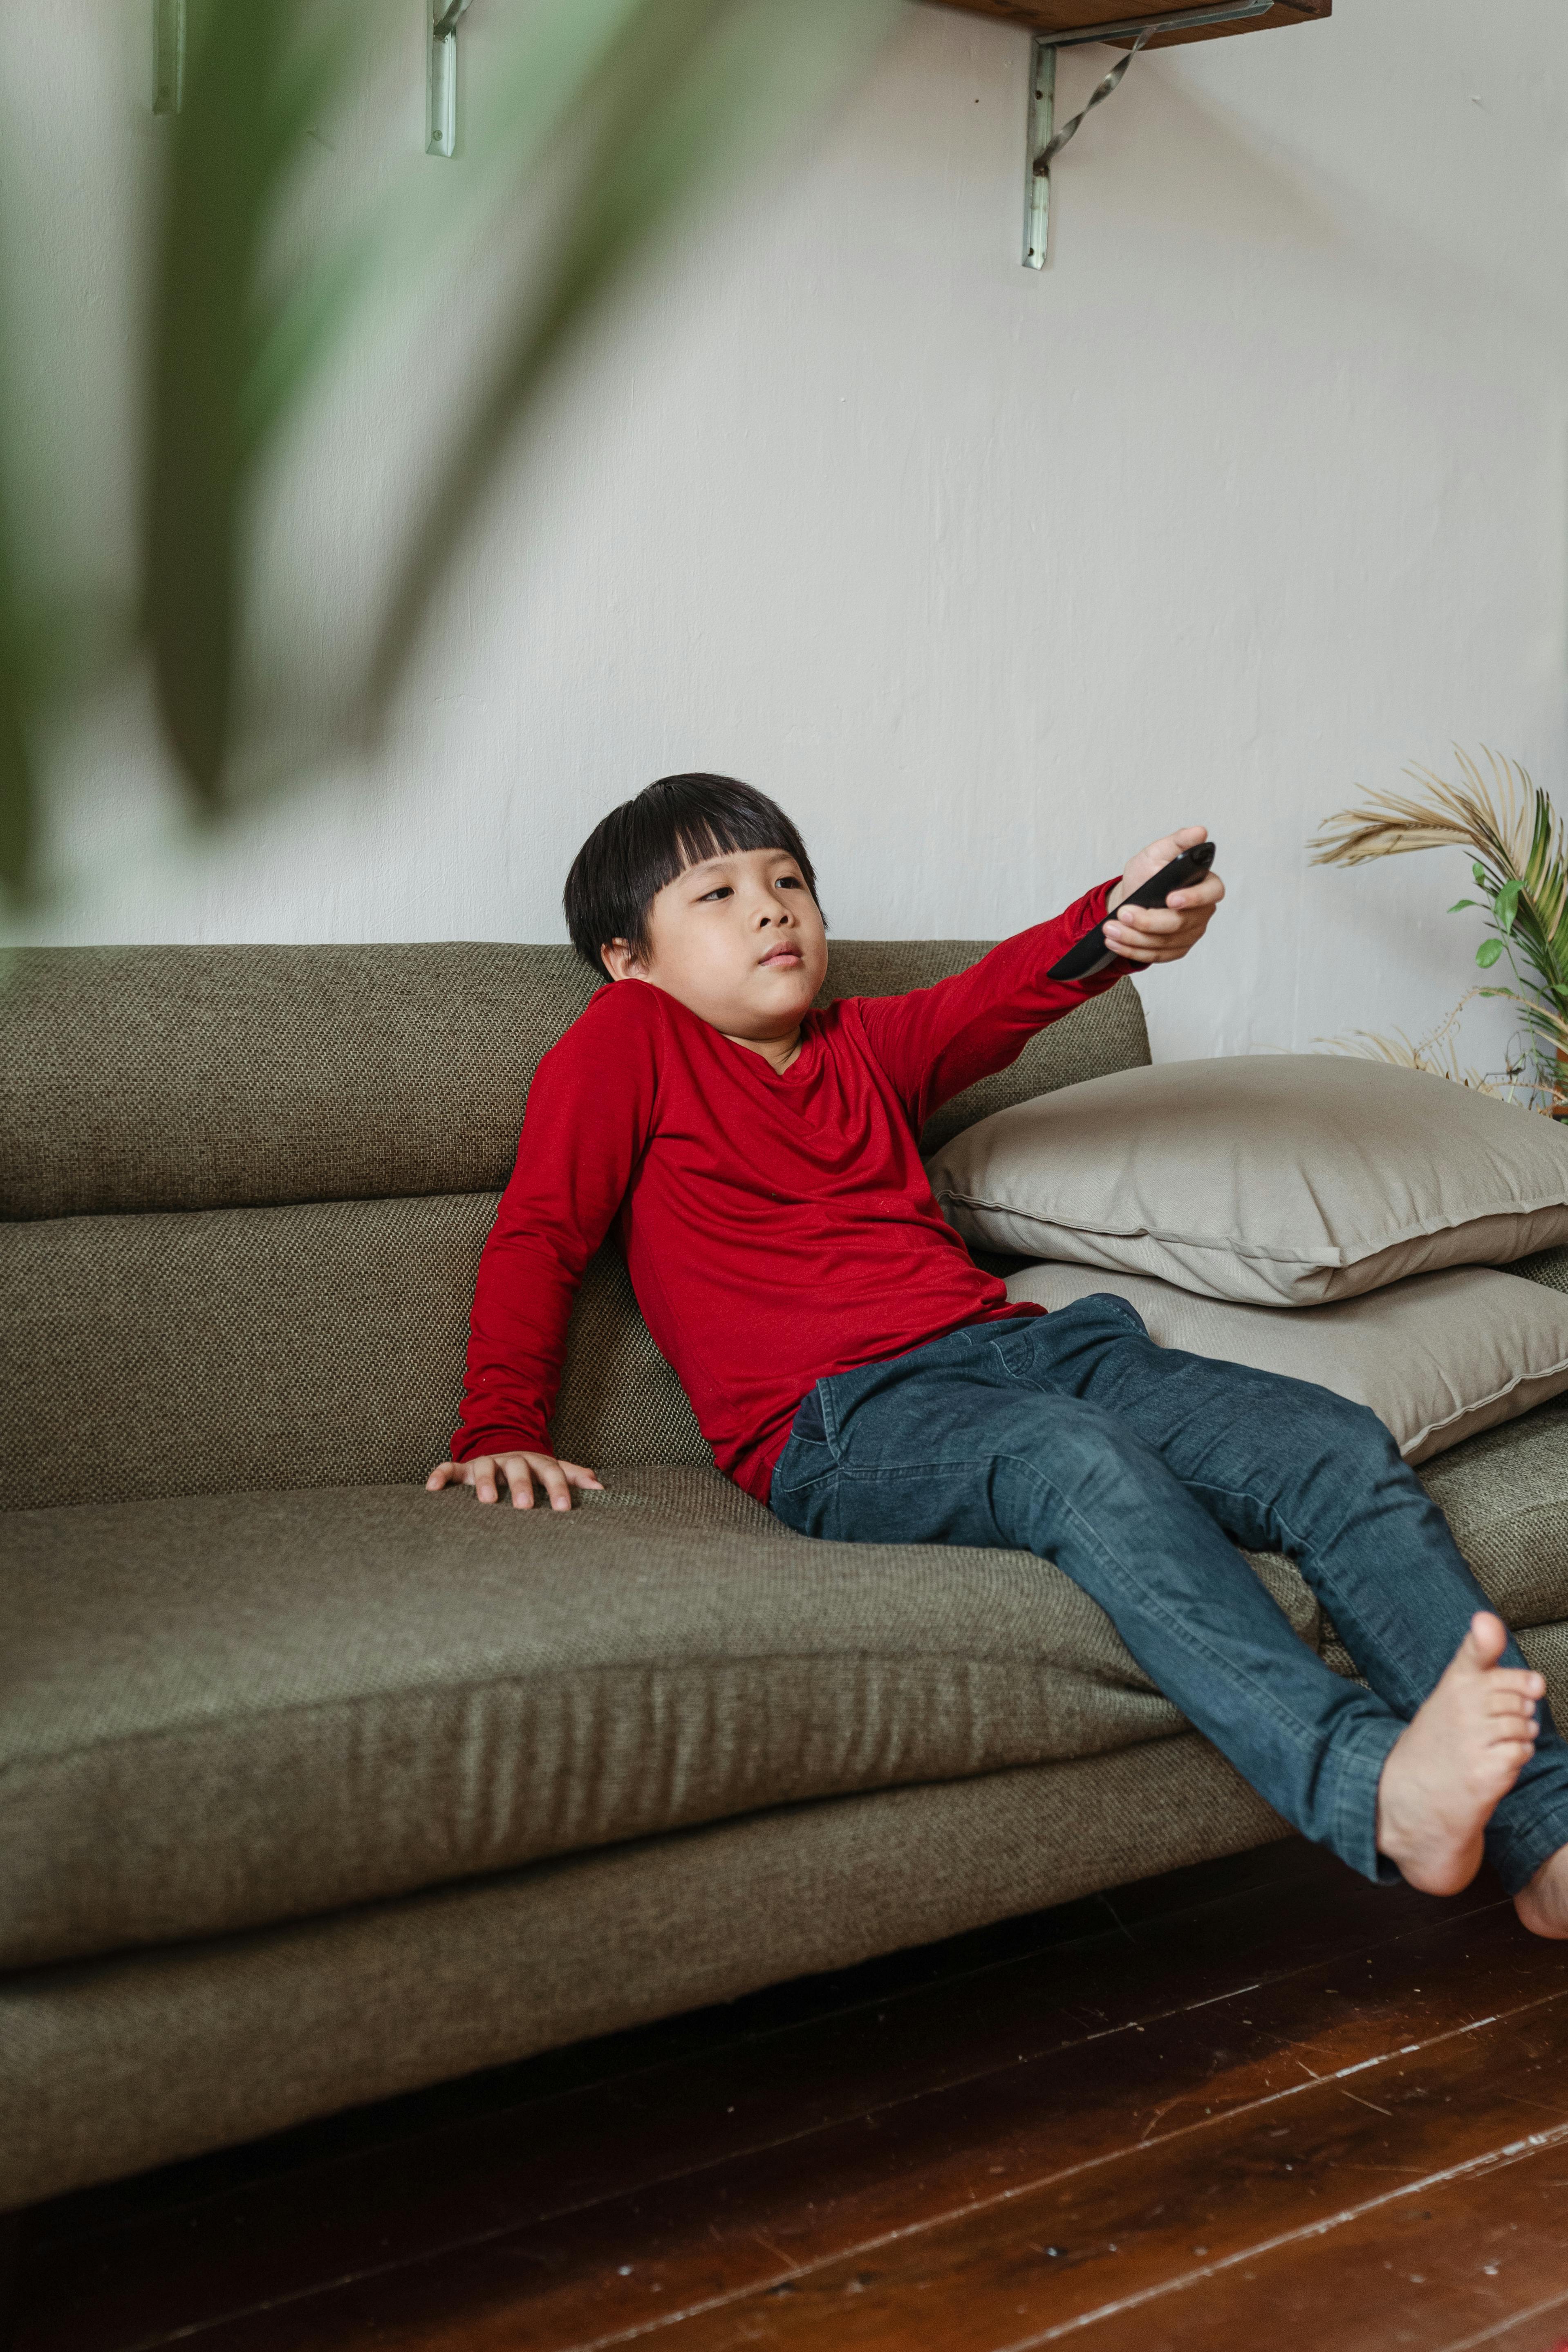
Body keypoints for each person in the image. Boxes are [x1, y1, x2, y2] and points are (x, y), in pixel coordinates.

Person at [428, 771, 1568, 1936]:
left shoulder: (861, 1043)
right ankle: (1371, 1789)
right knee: (1067, 1458)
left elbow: (997, 996)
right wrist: (501, 1426)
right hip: (839, 1421)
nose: (773, 909)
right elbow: (539, 1234)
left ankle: (1547, 1839)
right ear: (631, 958)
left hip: (1024, 1350)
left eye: (789, 882)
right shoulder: (629, 1037)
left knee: (1325, 1438)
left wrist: (1116, 922)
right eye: (718, 893)